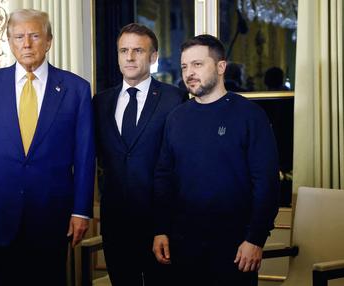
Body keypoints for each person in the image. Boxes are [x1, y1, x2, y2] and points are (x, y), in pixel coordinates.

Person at [0, 9, 95, 286]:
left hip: (52, 215)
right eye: (19, 37)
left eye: (34, 35)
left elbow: (84, 155)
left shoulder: (76, 89)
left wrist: (81, 210)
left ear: (49, 41)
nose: (27, 44)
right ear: (9, 42)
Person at [152, 34, 279, 285]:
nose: (189, 73)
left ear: (221, 67)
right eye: (185, 66)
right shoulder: (176, 117)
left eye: (198, 64)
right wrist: (160, 229)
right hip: (182, 245)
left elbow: (266, 183)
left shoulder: (250, 115)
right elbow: (163, 177)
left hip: (235, 247)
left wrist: (255, 239)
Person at [94, 23, 187, 286]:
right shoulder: (100, 102)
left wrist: (165, 227)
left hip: (161, 227)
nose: (130, 57)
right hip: (115, 226)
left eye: (138, 50)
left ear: (153, 56)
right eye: (124, 50)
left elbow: (181, 167)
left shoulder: (175, 99)